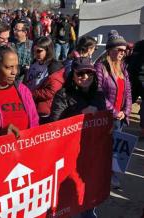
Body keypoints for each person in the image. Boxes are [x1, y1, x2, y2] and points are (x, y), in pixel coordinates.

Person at [49, 57, 105, 218]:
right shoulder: (63, 94)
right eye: (81, 73)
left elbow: (105, 122)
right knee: (68, 196)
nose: (85, 77)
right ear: (72, 75)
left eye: (89, 73)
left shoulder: (99, 95)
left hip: (92, 151)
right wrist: (79, 115)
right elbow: (55, 124)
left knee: (88, 193)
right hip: (69, 152)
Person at [95, 30, 132, 189]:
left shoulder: (123, 68)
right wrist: (115, 112)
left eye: (124, 51)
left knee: (115, 149)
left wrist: (126, 111)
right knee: (103, 148)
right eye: (119, 50)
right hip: (106, 116)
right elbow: (98, 93)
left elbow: (128, 92)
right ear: (110, 50)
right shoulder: (100, 67)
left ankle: (112, 175)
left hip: (120, 118)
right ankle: (100, 176)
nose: (122, 53)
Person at [25, 36, 66, 124]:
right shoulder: (34, 63)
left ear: (48, 50)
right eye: (34, 51)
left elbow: (52, 91)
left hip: (44, 110)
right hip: (30, 106)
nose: (36, 54)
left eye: (39, 51)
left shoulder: (54, 67)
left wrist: (30, 94)